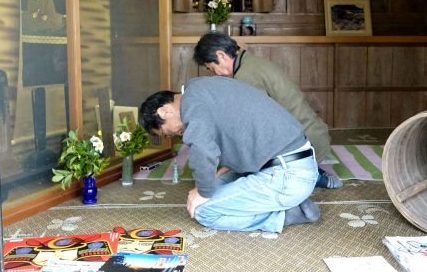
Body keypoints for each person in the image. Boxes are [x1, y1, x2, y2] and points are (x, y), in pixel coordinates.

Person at [139, 76, 320, 233]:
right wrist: (217, 176)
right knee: (214, 183)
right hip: (289, 163)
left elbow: (202, 149)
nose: (175, 135)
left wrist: (203, 192)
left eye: (166, 132)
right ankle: (284, 202)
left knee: (204, 210)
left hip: (288, 175)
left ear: (164, 111)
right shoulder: (203, 89)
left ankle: (285, 215)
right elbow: (239, 134)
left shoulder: (191, 104)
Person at [193, 32, 342, 189]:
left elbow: (254, 130)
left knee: (247, 175)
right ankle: (310, 170)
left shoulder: (246, 75)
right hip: (312, 135)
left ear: (221, 55)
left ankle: (312, 176)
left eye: (211, 68)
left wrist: (226, 169)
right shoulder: (251, 62)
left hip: (306, 144)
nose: (214, 73)